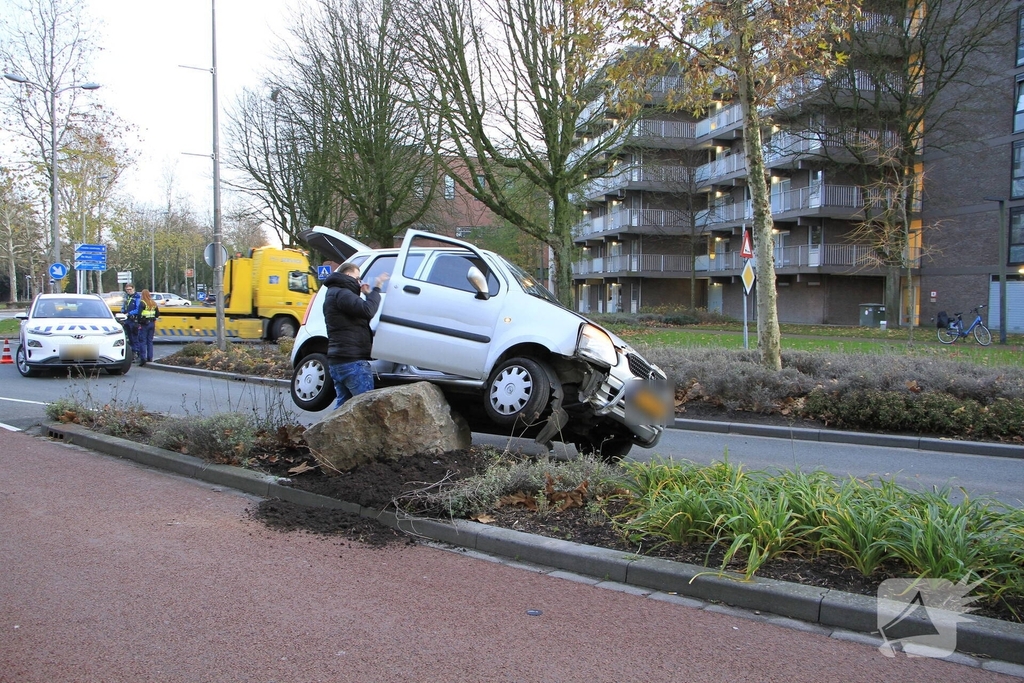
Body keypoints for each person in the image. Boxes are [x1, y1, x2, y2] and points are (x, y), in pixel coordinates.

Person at [323, 263, 389, 409]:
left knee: (342, 408)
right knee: (366, 407)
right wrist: (377, 288)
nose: (359, 282)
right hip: (352, 361)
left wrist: (367, 295)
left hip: (338, 360)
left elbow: (359, 317)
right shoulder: (343, 293)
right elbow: (367, 311)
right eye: (357, 278)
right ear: (348, 275)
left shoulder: (332, 294)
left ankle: (330, 425)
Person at [120, 284, 144, 362]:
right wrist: (122, 311)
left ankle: (137, 353)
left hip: (133, 320)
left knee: (135, 337)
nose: (129, 291)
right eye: (127, 290)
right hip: (127, 320)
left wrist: (129, 313)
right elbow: (124, 306)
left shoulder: (137, 297)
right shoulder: (127, 297)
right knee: (130, 338)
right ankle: (133, 353)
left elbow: (138, 309)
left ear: (133, 289)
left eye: (130, 289)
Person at [138, 289, 160, 366]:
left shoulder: (142, 303)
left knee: (143, 341)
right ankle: (150, 358)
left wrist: (139, 322)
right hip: (152, 323)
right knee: (150, 341)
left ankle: (143, 358)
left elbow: (139, 314)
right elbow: (157, 314)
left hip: (144, 324)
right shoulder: (153, 303)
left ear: (142, 295)